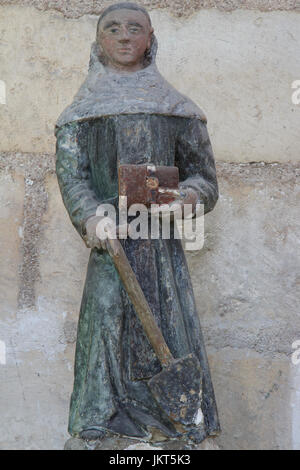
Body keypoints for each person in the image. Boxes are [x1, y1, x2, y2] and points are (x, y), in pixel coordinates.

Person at [55, 2, 220, 444]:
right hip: (111, 244)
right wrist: (91, 217)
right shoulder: (81, 111)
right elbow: (73, 175)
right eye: (113, 29)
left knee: (167, 328)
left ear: (150, 39)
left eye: (134, 28)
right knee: (106, 324)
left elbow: (204, 179)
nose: (124, 36)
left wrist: (183, 198)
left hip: (161, 246)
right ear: (99, 41)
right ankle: (100, 422)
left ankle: (175, 426)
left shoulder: (177, 109)